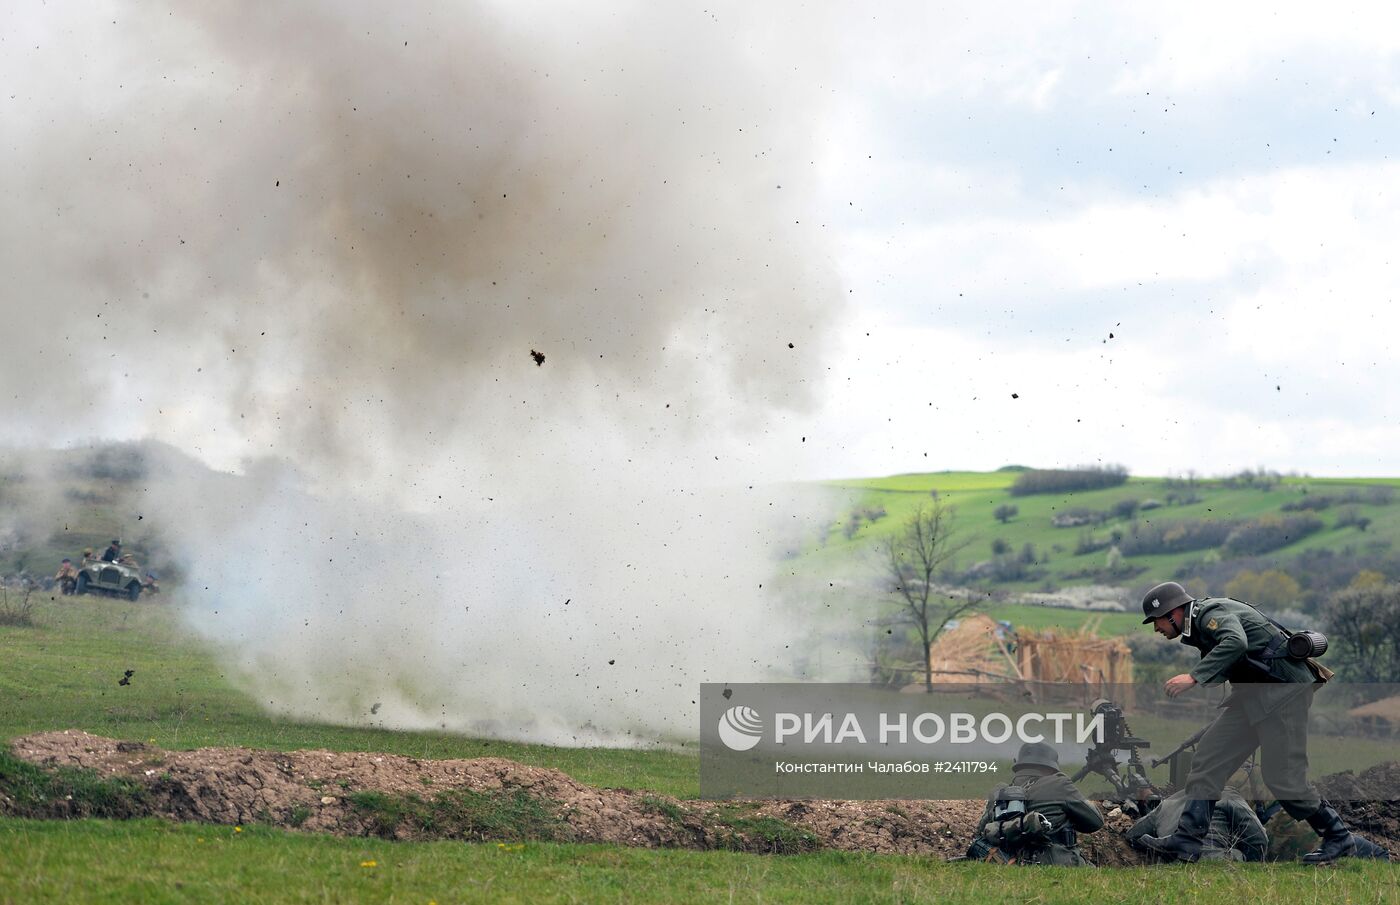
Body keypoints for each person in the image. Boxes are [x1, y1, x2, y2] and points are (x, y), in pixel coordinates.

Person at [1136, 580, 1389, 863]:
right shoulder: (1199, 621)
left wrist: (1194, 676)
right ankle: (1187, 841)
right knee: (1208, 757)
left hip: (1283, 694)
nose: (1156, 629)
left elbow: (1235, 641)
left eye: (1156, 621)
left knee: (1282, 778)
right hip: (1253, 697)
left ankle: (1339, 837)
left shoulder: (1209, 615)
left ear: (1173, 612)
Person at [970, 741, 1104, 865]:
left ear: (1018, 764)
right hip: (1057, 861)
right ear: (1051, 766)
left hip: (1012, 861)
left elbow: (981, 832)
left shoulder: (1000, 791)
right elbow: (1095, 821)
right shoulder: (1059, 784)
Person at [1127, 787, 1267, 862]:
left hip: (1175, 866)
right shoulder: (1227, 793)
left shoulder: (1167, 803)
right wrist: (1251, 865)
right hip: (1219, 862)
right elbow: (1259, 839)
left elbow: (1133, 835)